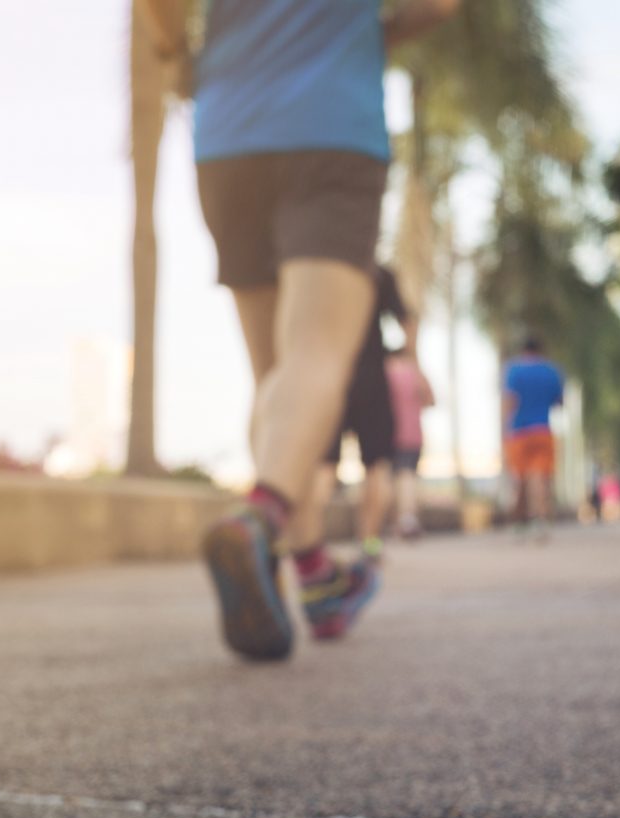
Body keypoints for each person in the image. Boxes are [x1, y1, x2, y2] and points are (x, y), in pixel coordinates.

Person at [191, 0, 463, 661]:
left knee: (273, 377)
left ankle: (314, 575)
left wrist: (177, 52)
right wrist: (373, 33)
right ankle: (258, 518)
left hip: (229, 133)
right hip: (330, 130)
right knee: (316, 358)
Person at [303, 264, 418, 568]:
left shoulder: (317, 271)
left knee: (325, 467)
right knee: (377, 467)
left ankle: (308, 546)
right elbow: (408, 321)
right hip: (371, 381)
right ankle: (369, 544)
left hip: (329, 377)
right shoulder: (377, 273)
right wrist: (406, 355)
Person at [502, 337, 565, 536]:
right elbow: (559, 402)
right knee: (539, 477)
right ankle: (539, 519)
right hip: (542, 430)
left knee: (519, 479)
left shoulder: (514, 370)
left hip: (518, 432)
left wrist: (505, 428)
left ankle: (518, 522)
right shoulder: (552, 371)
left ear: (523, 350)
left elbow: (510, 400)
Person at [385, 343, 435, 541]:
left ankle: (404, 521)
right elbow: (430, 401)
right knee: (409, 476)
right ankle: (406, 519)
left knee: (396, 477)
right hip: (414, 432)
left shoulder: (386, 372)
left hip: (390, 433)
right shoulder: (416, 374)